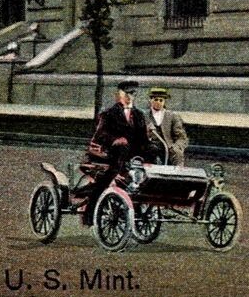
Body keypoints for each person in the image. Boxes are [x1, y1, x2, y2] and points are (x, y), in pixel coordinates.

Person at [76, 78, 151, 220]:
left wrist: (150, 147)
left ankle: (148, 184)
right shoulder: (109, 114)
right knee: (107, 176)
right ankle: (90, 214)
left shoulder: (139, 115)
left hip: (132, 155)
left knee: (153, 151)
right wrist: (114, 140)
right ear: (119, 94)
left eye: (133, 94)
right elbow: (100, 134)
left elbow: (142, 138)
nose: (129, 97)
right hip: (110, 155)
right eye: (126, 93)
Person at [144, 86, 189, 166]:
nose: (158, 102)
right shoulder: (144, 116)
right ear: (150, 100)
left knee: (177, 154)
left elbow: (181, 137)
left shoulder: (172, 116)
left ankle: (177, 176)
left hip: (168, 147)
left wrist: (176, 147)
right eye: (156, 100)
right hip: (149, 146)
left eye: (161, 100)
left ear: (164, 102)